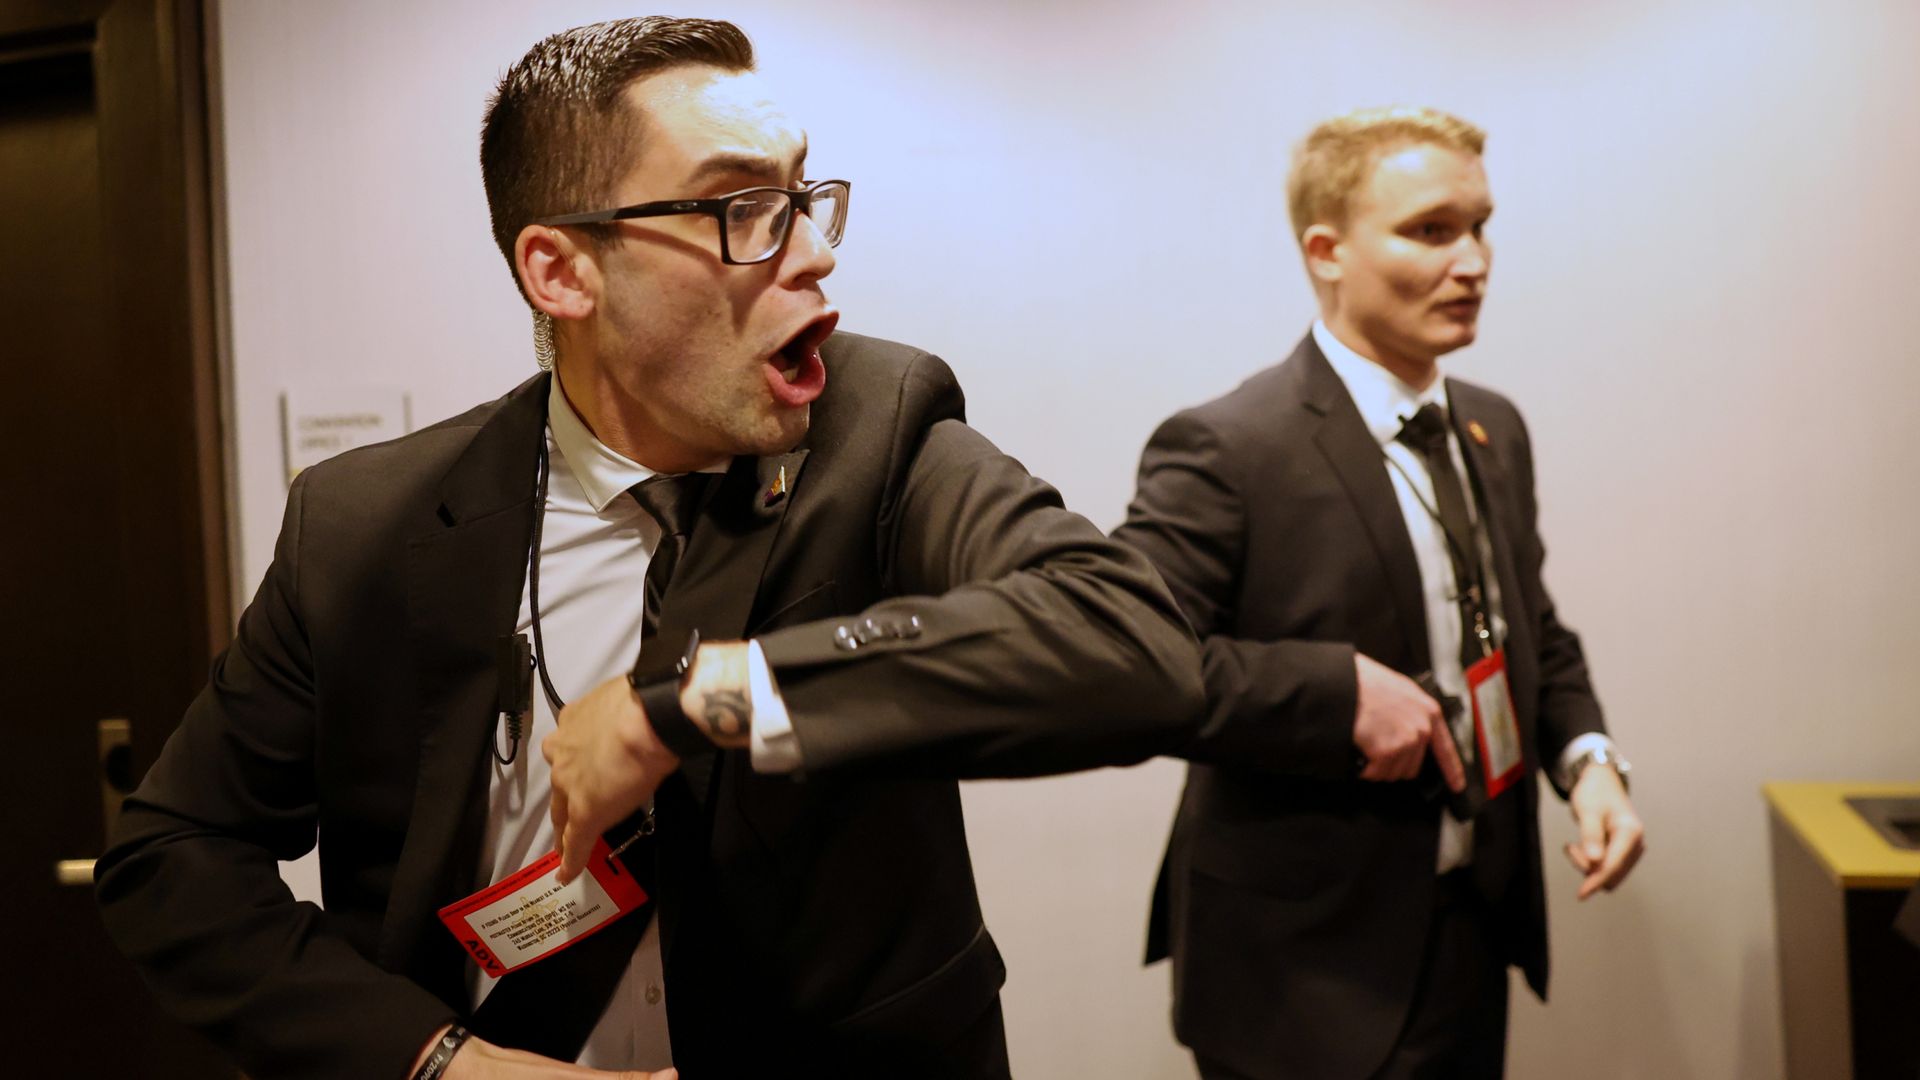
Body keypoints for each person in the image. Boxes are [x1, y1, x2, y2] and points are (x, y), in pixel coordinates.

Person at [95, 17, 1202, 1080]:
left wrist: (703, 700)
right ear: (563, 273)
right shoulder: (366, 523)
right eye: (741, 208)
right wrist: (441, 1063)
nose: (812, 255)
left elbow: (1128, 642)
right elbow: (171, 860)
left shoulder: (881, 424)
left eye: (805, 199)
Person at [1113, 106, 1646, 1079]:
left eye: (1481, 226)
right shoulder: (1227, 446)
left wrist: (1590, 760)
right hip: (1302, 966)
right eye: (1432, 231)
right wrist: (1337, 694)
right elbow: (1133, 664)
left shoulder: (1496, 427)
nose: (1475, 260)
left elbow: (1531, 628)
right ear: (1326, 251)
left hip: (1474, 931)